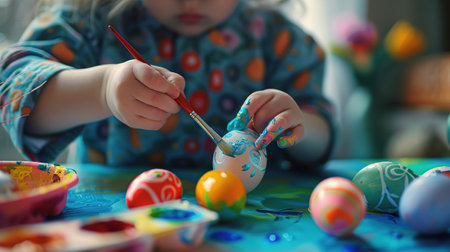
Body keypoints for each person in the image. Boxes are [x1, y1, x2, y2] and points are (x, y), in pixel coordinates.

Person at [0, 0, 335, 170]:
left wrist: (296, 125)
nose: (191, 1)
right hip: (119, 227)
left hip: (256, 225)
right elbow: (15, 90)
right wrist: (102, 90)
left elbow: (320, 141)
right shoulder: (89, 19)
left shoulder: (279, 38)